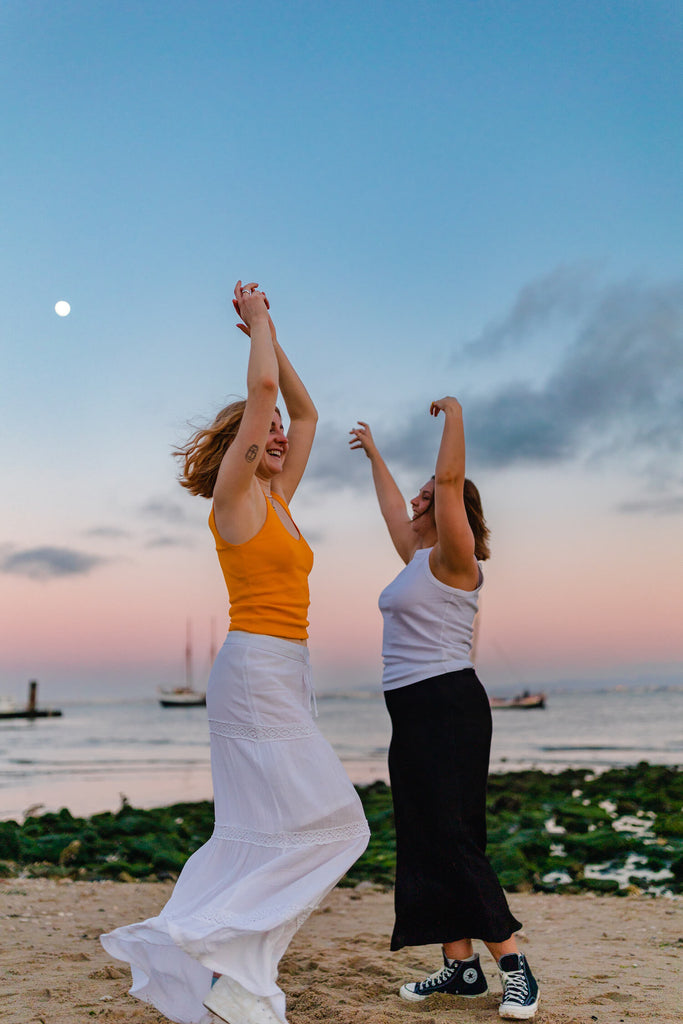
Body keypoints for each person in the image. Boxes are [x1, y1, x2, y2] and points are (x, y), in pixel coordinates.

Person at [102, 281, 369, 1024]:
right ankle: (216, 955)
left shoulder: (280, 499)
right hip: (254, 671)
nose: (281, 433)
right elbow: (259, 391)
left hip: (284, 671)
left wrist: (273, 334)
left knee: (281, 832)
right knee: (340, 825)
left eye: (280, 430)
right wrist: (255, 327)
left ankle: (238, 978)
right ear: (243, 444)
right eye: (267, 429)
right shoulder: (238, 499)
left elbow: (307, 410)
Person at [349, 398, 539, 1021]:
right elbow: (391, 509)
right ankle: (460, 969)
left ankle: (514, 967)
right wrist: (376, 454)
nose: (418, 500)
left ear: (453, 509)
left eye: (426, 495)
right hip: (410, 710)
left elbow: (451, 480)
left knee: (454, 838)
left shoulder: (455, 560)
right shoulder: (414, 557)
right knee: (424, 839)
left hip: (449, 706)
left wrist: (454, 415)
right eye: (421, 494)